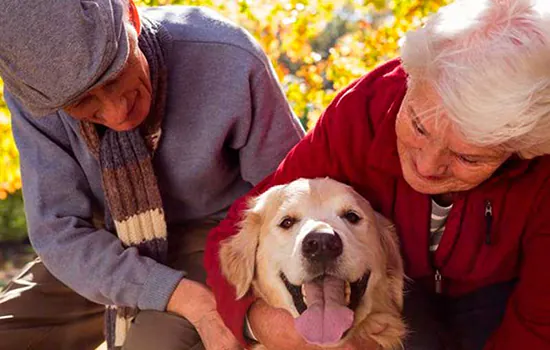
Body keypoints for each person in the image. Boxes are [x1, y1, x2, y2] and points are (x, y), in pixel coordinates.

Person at [205, 0, 550, 349]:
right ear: (411, 79)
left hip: (501, 298)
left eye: (467, 157)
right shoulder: (363, 111)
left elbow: (539, 324)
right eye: (418, 126)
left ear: (522, 148)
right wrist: (259, 321)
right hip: (399, 296)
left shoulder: (543, 169)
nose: (427, 167)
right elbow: (234, 237)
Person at [0, 1, 304, 349]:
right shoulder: (37, 98)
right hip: (106, 243)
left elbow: (292, 196)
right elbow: (58, 233)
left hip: (220, 236)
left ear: (131, 15)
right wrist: (178, 295)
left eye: (115, 75)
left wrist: (236, 305)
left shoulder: (228, 57)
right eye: (83, 102)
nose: (117, 114)